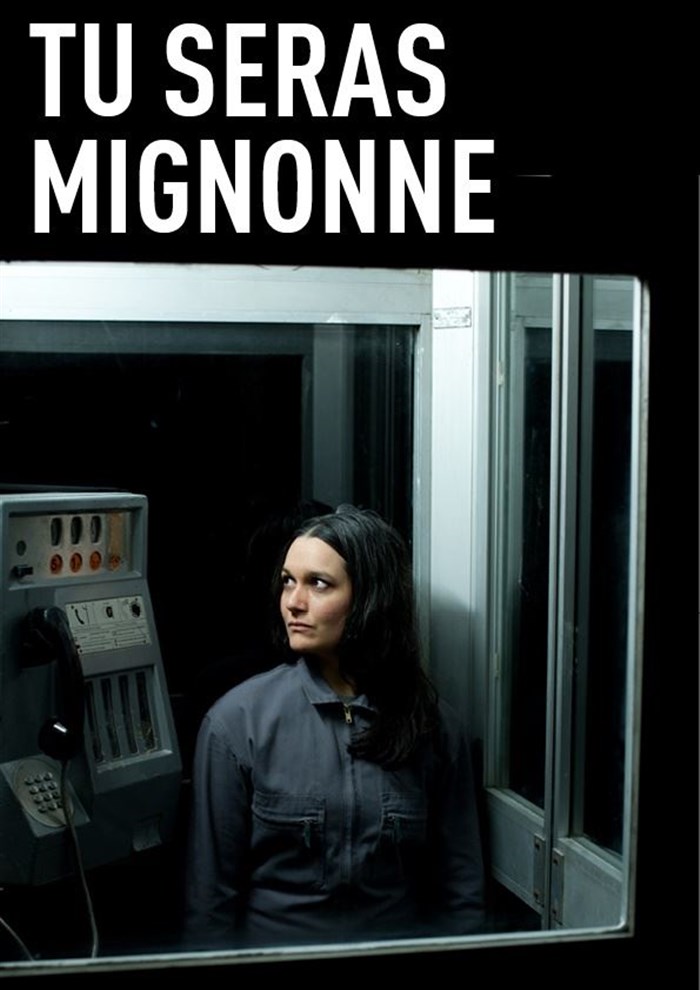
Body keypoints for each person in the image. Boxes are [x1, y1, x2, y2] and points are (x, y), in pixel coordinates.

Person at [184, 505, 484, 948]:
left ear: (370, 598)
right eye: (288, 581)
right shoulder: (237, 723)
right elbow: (210, 905)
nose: (293, 601)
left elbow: (461, 893)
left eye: (318, 584)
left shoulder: (433, 726)